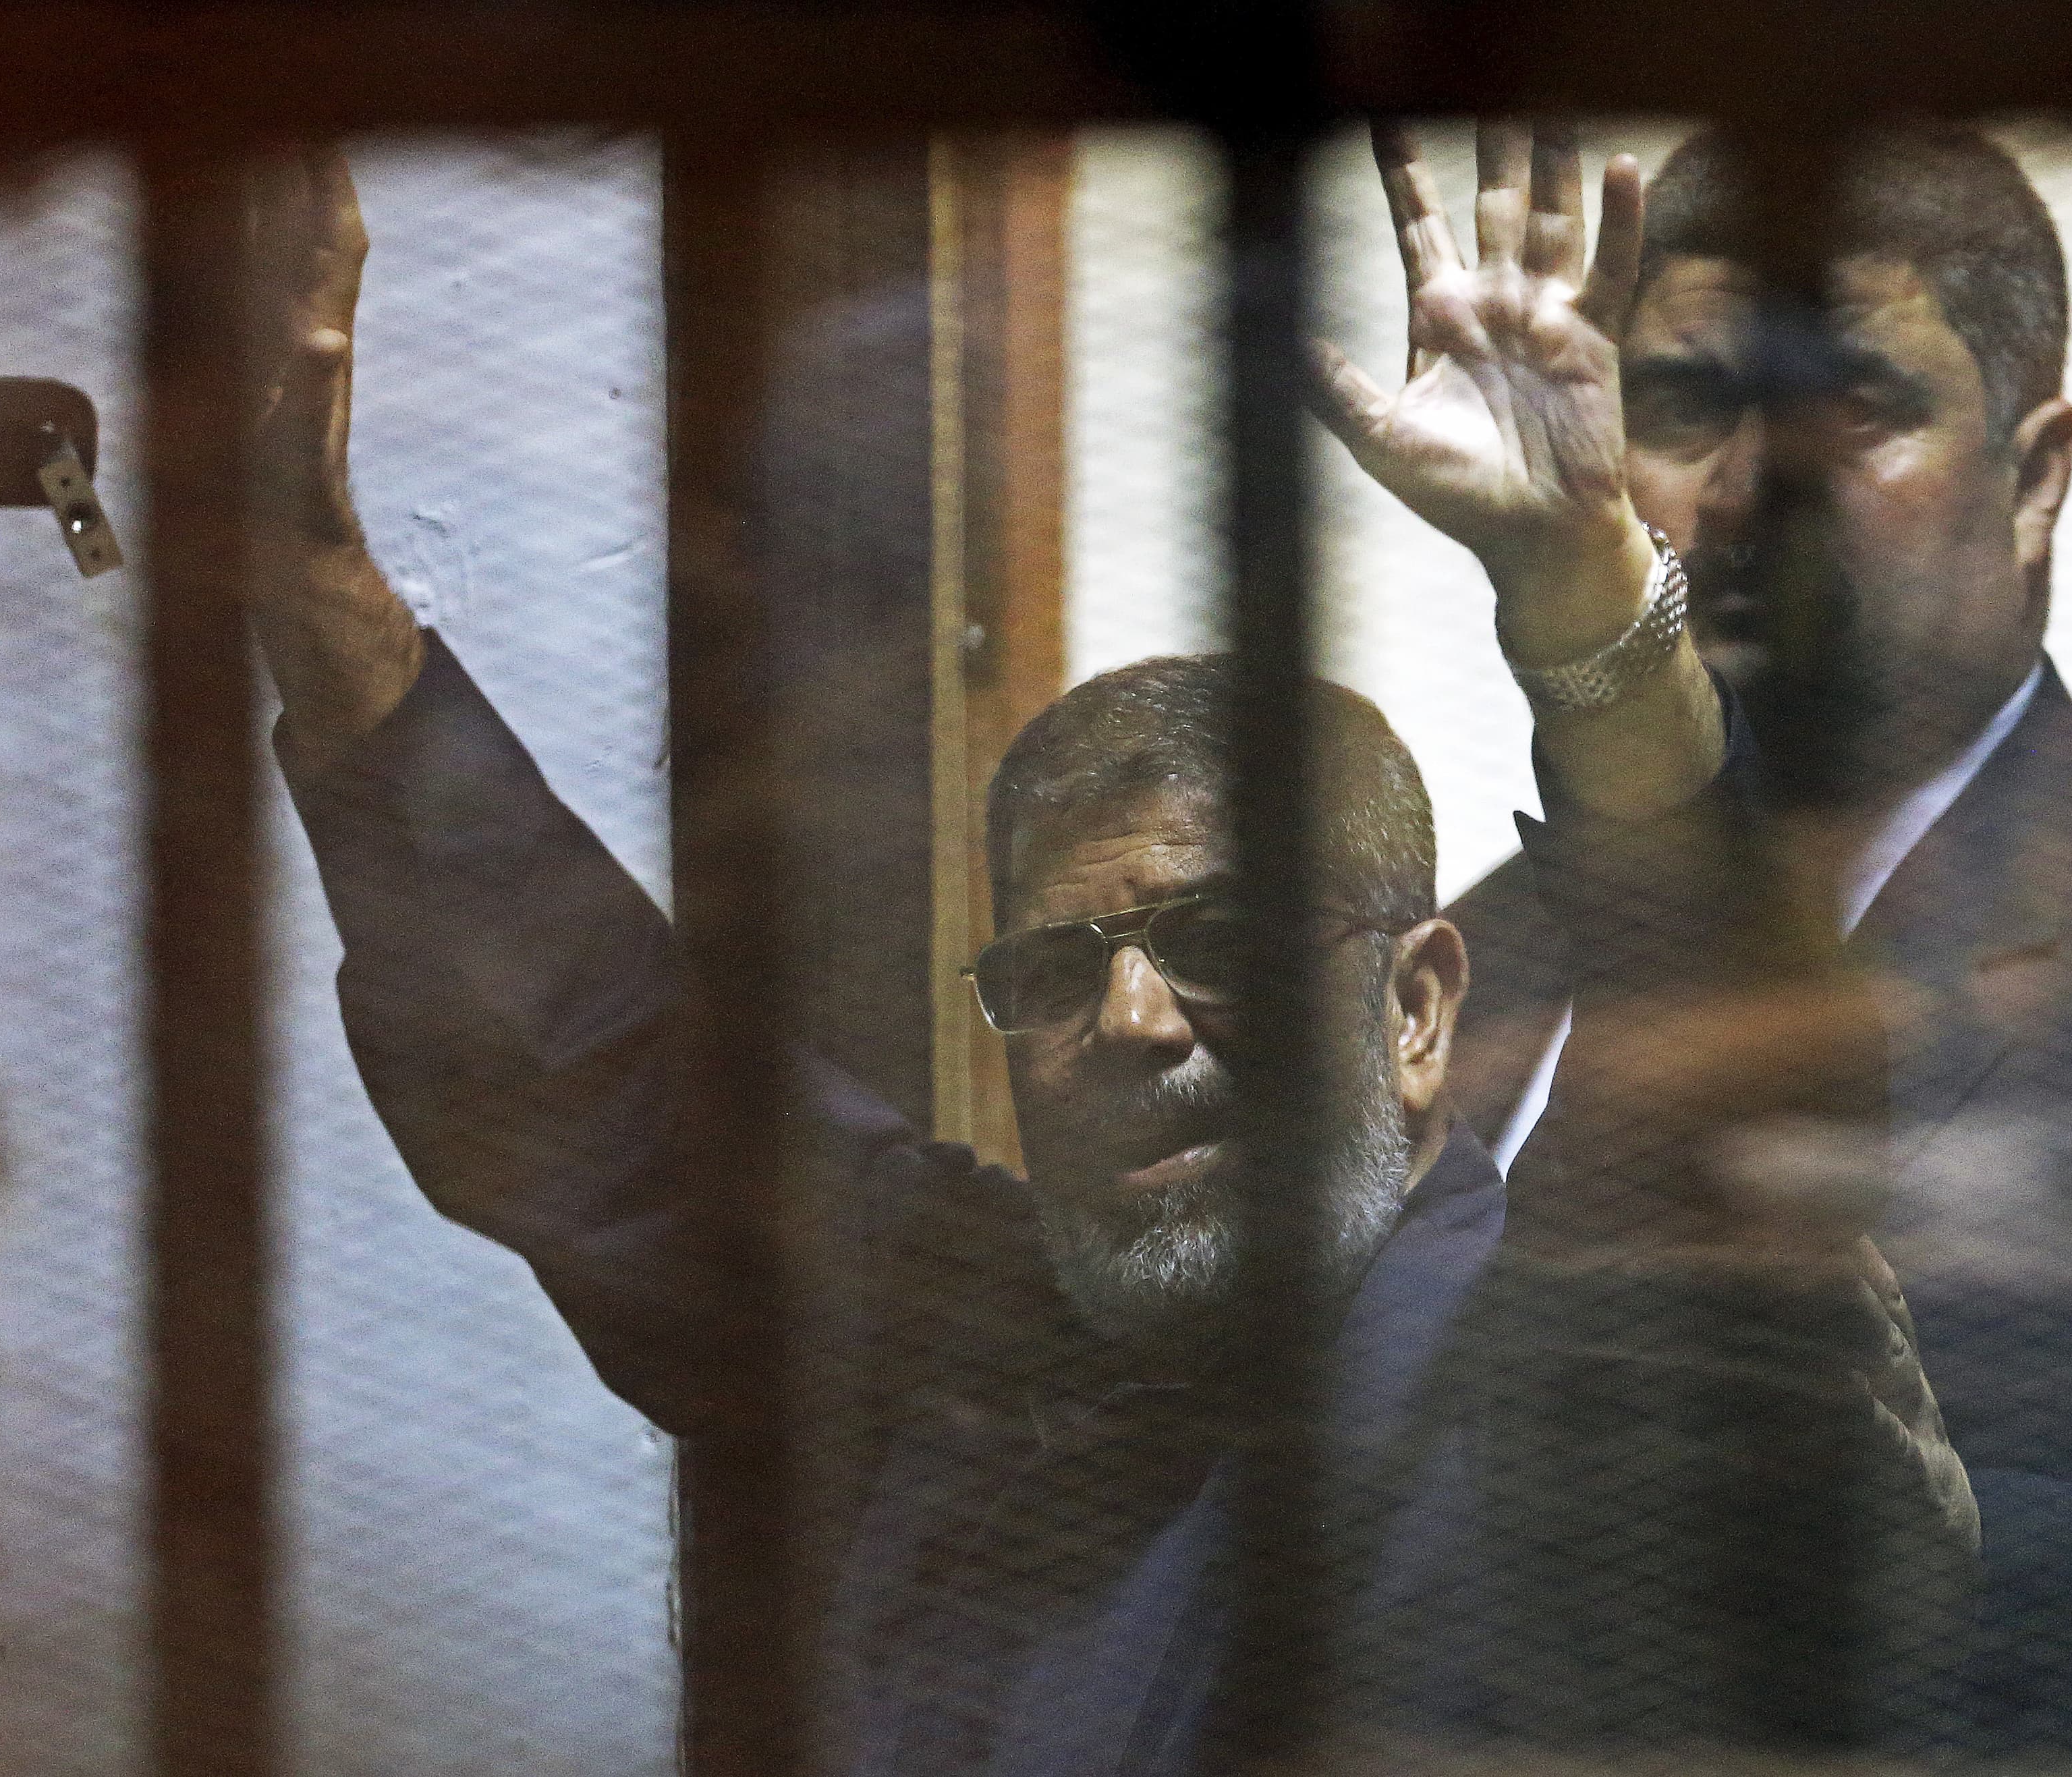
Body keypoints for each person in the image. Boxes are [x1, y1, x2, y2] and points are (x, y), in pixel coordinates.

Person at [252, 148, 1973, 1774]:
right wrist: (310, 573)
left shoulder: (1579, 1386)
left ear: (1416, 1006)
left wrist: (1584, 594)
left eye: (1218, 942)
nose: (1132, 1020)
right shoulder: (970, 1338)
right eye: (1057, 974)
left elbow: (1732, 1099)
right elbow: (594, 1063)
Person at [1313, 121, 2072, 1757]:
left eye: (1855, 405)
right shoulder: (1466, 959)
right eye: (1685, 404)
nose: (1750, 494)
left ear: (2035, 477)